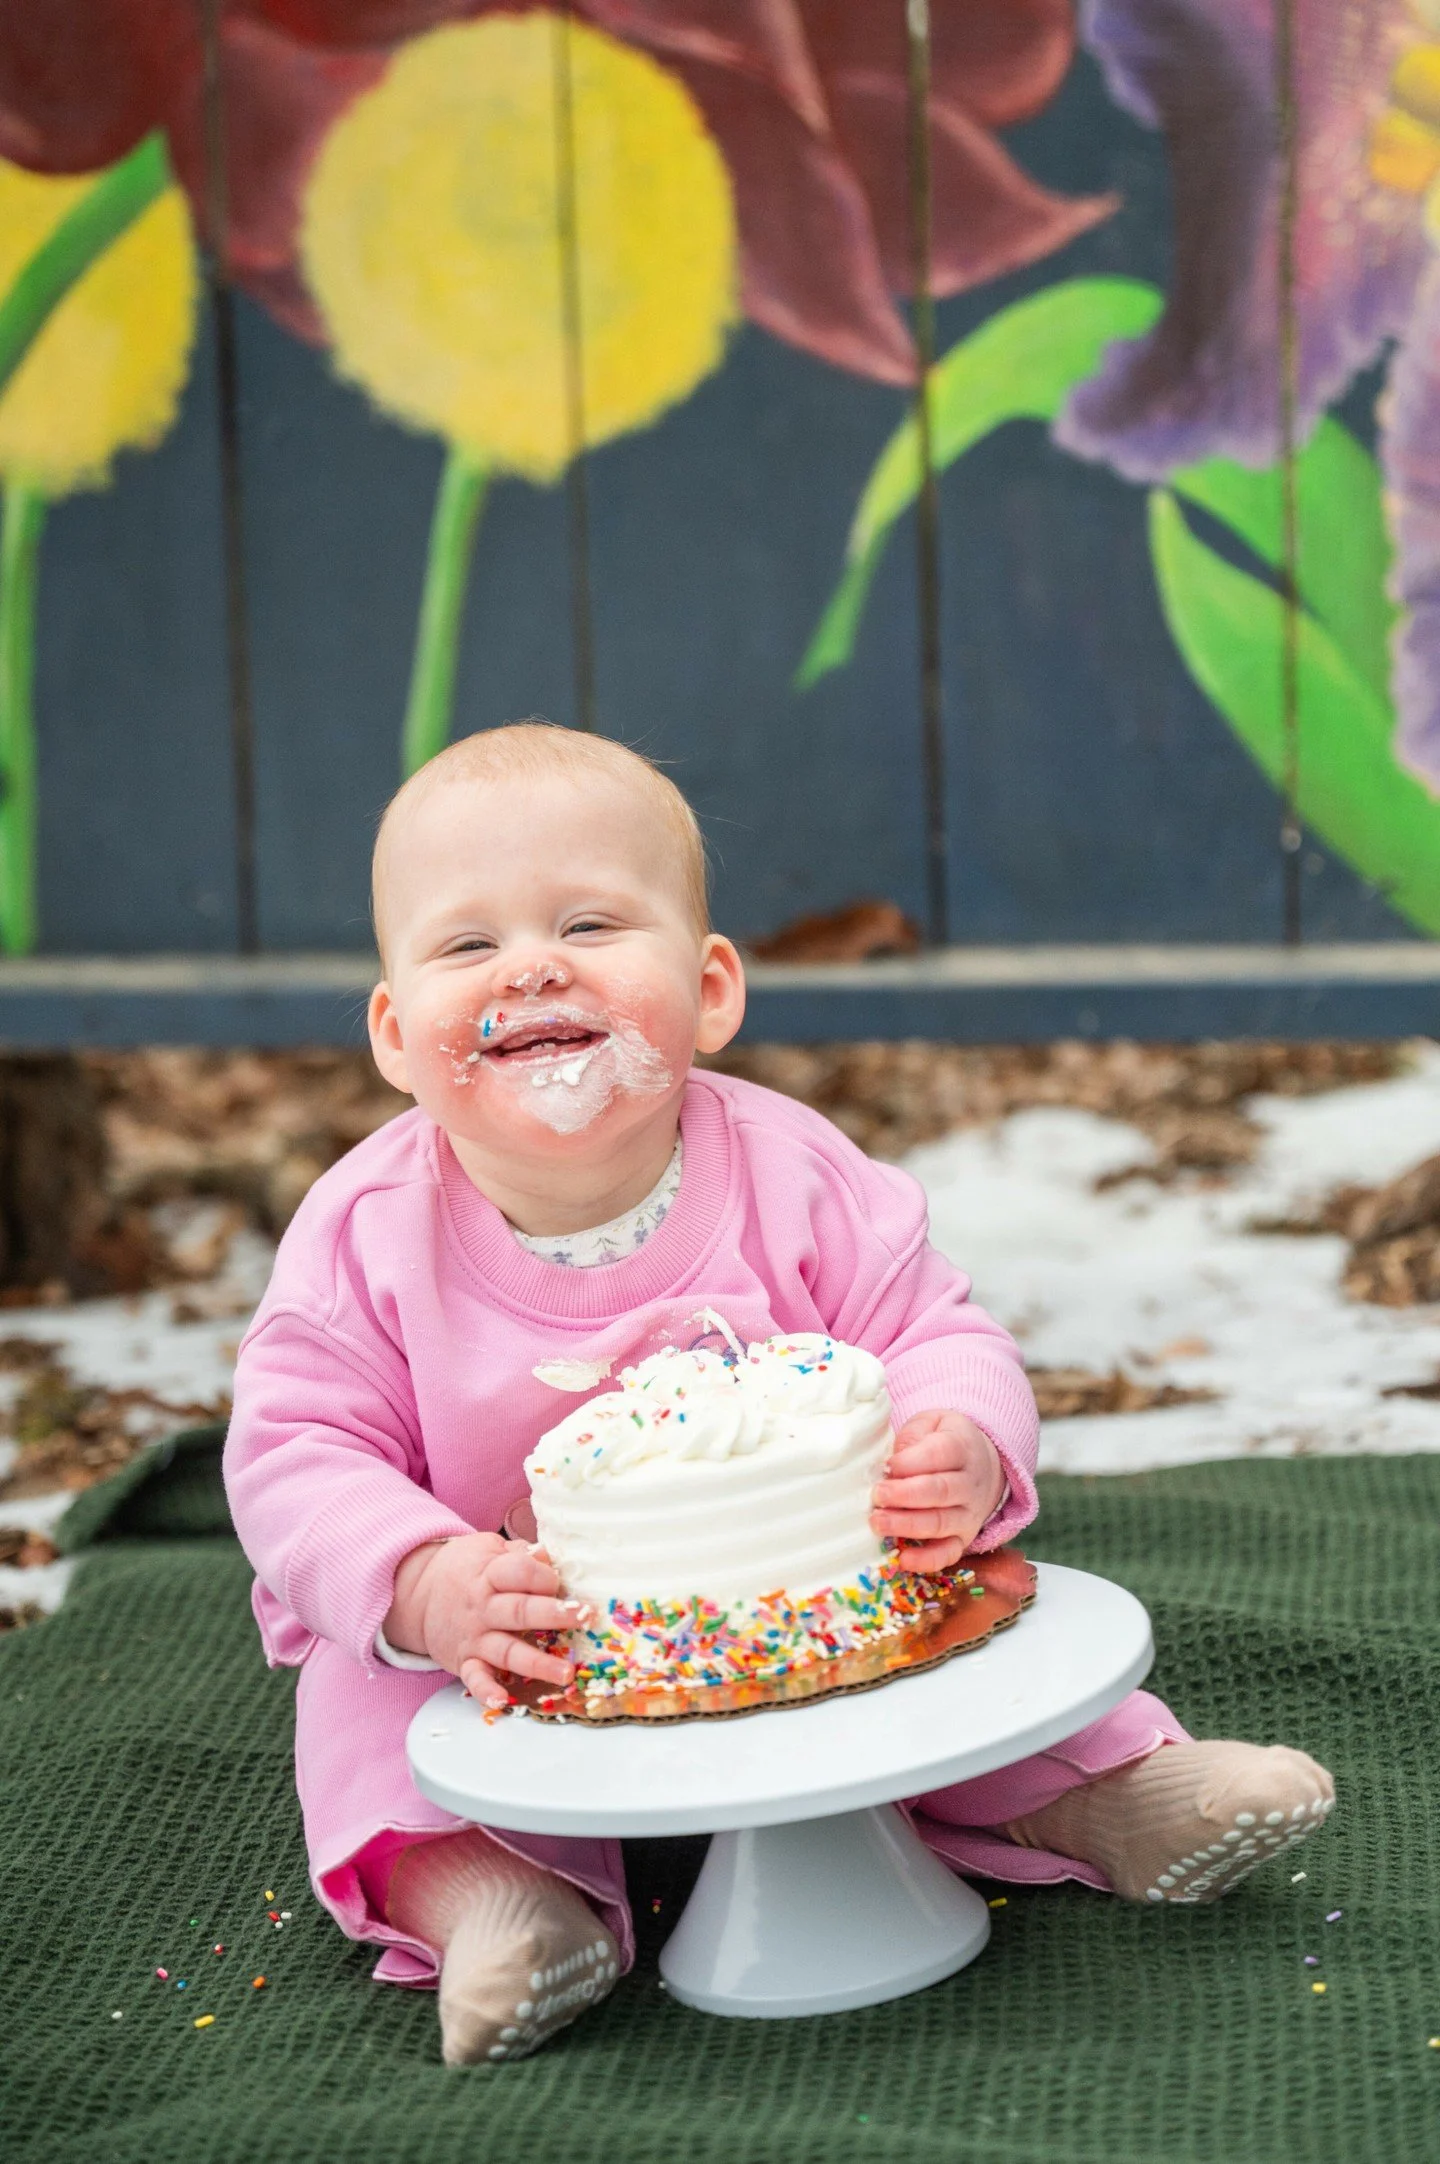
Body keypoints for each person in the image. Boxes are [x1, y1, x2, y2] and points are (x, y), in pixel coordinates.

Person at [225, 722, 1335, 2067]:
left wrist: (962, 1441)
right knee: (368, 1711)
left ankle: (1113, 1797)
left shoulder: (795, 1173)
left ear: (710, 990)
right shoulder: (362, 1238)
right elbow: (297, 1449)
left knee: (965, 1649)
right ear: (398, 1034)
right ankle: (498, 1906)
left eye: (588, 921)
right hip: (516, 1643)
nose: (531, 965)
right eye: (468, 947)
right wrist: (414, 1581)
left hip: (814, 1612)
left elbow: (930, 1321)